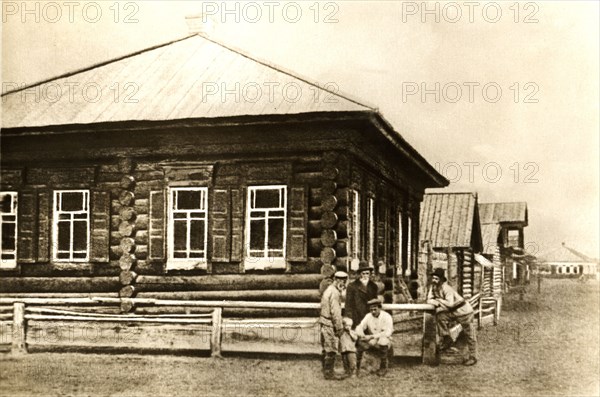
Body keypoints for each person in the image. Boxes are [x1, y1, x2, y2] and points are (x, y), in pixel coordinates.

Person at [426, 268, 478, 366]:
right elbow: (429, 299)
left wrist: (438, 300)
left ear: (441, 280)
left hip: (464, 311)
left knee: (469, 334)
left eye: (436, 279)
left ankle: (473, 357)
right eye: (433, 278)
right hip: (452, 311)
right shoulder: (433, 287)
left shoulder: (447, 289)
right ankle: (447, 337)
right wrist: (436, 300)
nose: (434, 280)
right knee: (440, 316)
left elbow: (449, 304)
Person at [319, 271, 348, 380]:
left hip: (324, 321)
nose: (342, 283)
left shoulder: (329, 290)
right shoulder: (334, 293)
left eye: (344, 281)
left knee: (327, 347)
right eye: (340, 280)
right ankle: (329, 373)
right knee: (331, 348)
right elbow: (336, 313)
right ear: (335, 280)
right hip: (329, 323)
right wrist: (339, 328)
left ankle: (326, 370)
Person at [355, 298, 394, 376]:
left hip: (385, 340)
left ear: (380, 308)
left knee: (383, 340)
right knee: (359, 341)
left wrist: (372, 337)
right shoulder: (368, 316)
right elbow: (360, 326)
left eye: (375, 309)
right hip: (372, 339)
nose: (373, 312)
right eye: (371, 310)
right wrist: (362, 334)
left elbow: (387, 333)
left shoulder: (387, 317)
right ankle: (357, 366)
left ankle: (383, 367)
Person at [345, 261, 379, 329]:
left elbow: (375, 303)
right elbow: (348, 305)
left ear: (369, 274)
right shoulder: (352, 286)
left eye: (367, 273)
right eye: (363, 273)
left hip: (370, 318)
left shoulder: (373, 286)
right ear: (360, 274)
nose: (365, 276)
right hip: (356, 318)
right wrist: (349, 319)